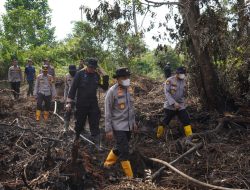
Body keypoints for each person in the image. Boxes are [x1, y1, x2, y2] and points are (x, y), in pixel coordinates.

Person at [66, 58, 109, 145]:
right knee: (79, 122)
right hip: (81, 103)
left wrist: (105, 75)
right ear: (87, 66)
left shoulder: (96, 75)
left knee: (95, 121)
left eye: (93, 68)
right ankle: (76, 139)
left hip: (93, 103)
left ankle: (96, 143)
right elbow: (73, 88)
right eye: (90, 67)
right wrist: (69, 102)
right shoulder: (80, 74)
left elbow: (104, 88)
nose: (91, 69)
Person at [103, 67, 136, 178]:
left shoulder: (129, 90)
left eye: (128, 77)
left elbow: (131, 108)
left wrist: (134, 123)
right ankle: (130, 177)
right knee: (125, 151)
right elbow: (107, 111)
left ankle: (107, 164)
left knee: (119, 146)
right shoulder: (112, 91)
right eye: (124, 77)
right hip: (118, 126)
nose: (127, 79)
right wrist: (108, 130)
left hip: (128, 126)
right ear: (118, 79)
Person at [157, 66, 193, 138]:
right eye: (181, 73)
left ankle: (190, 137)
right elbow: (167, 93)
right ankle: (158, 136)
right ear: (177, 73)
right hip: (170, 105)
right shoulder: (169, 80)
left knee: (186, 120)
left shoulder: (184, 81)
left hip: (180, 105)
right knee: (165, 121)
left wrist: (187, 99)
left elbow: (185, 92)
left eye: (183, 74)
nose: (182, 75)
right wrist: (173, 103)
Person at [63, 64, 77, 131]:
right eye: (71, 71)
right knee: (67, 112)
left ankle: (77, 128)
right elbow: (66, 88)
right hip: (69, 98)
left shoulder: (78, 75)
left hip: (78, 97)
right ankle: (65, 128)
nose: (72, 72)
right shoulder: (67, 76)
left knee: (77, 112)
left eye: (73, 71)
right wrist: (65, 99)